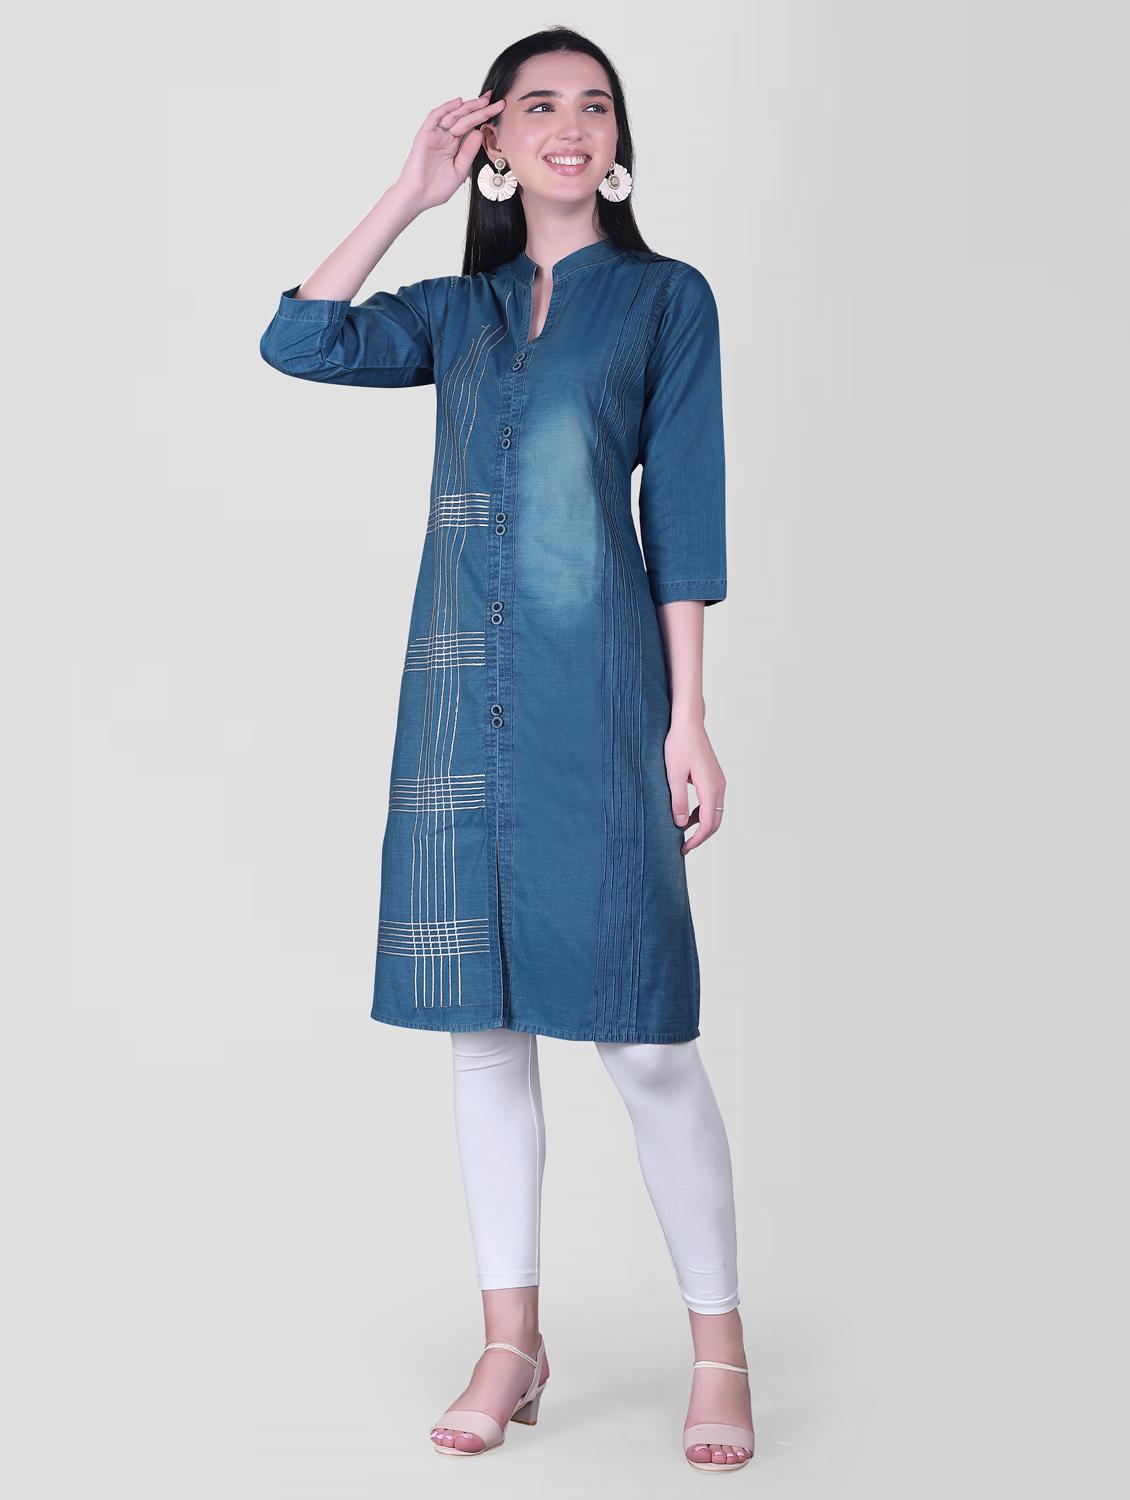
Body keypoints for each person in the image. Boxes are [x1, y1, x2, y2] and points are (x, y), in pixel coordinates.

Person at [259, 26, 753, 1474]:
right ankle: (510, 1343)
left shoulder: (665, 300)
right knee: (481, 1034)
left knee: (644, 1039)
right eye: (537, 105)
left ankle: (718, 1347)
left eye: (594, 106)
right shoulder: (455, 313)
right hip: (456, 702)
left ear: (620, 144)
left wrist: (688, 718)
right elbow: (299, 338)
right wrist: (409, 190)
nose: (569, 125)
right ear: (495, 141)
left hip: (601, 699)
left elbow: (687, 517)